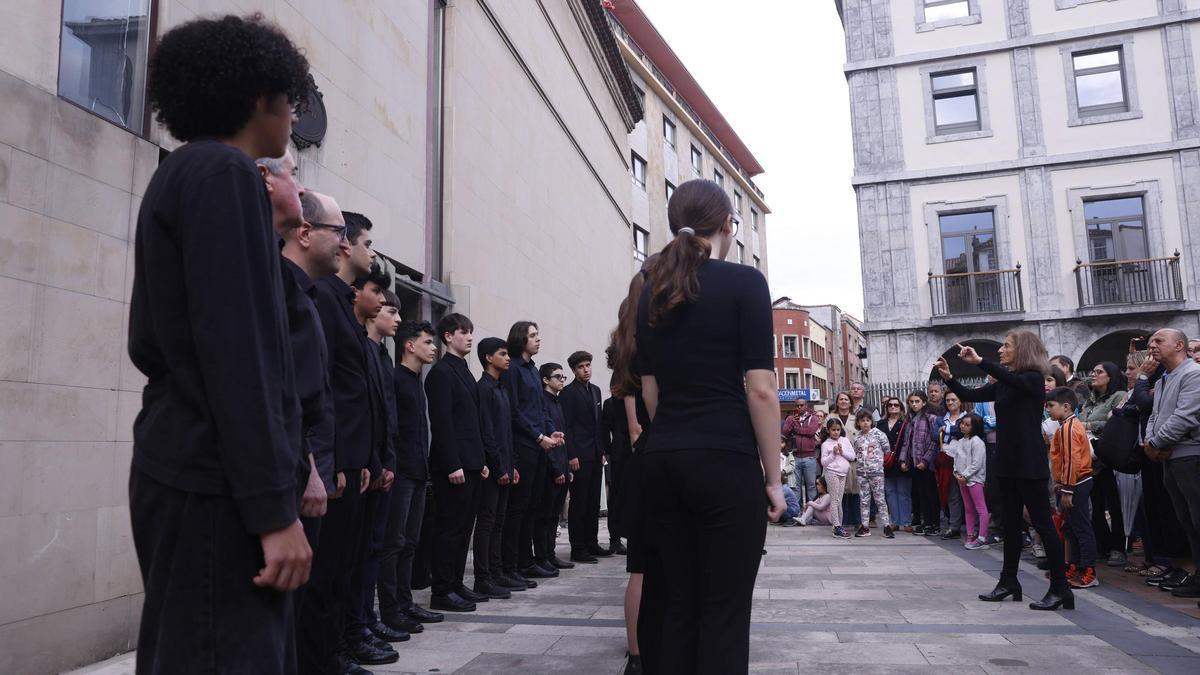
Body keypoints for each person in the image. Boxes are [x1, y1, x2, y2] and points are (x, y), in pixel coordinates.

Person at [128, 15, 311, 674]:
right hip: (213, 481)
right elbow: (239, 354)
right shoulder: (223, 174)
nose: (294, 114)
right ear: (260, 96)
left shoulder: (190, 173)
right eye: (289, 98)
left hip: (193, 467)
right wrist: (273, 510)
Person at [633, 178, 784, 673]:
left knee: (677, 607)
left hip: (664, 458)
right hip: (723, 460)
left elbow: (651, 393)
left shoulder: (651, 291)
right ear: (726, 225)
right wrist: (774, 479)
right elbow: (761, 390)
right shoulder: (745, 283)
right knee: (724, 611)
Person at [300, 194, 392, 671]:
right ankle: (324, 657)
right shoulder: (323, 298)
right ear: (344, 245)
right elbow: (325, 390)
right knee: (328, 569)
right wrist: (330, 460)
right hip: (334, 463)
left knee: (345, 565)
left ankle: (338, 646)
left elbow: (362, 400)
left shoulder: (343, 305)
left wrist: (368, 460)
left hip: (354, 462)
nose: (370, 252)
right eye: (366, 243)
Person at [938, 331, 1073, 611]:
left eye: (1006, 347)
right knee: (1010, 525)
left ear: (1022, 350)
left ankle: (1060, 588)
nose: (1001, 351)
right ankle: (1009, 581)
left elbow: (1013, 380)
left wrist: (980, 361)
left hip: (1029, 463)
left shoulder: (1033, 379)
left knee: (1043, 524)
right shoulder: (1005, 383)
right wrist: (949, 377)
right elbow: (969, 395)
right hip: (1007, 463)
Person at [260, 158, 333, 547]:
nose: (344, 243)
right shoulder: (272, 282)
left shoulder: (304, 295)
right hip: (284, 472)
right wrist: (310, 469)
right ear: (305, 234)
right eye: (338, 232)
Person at [377, 321, 444, 635]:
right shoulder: (395, 378)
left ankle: (405, 603)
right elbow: (389, 428)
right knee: (394, 543)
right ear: (409, 345)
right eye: (428, 342)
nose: (433, 348)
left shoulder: (417, 381)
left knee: (411, 543)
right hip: (400, 473)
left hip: (419, 472)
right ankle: (390, 610)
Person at [353, 277, 406, 651]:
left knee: (374, 547)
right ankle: (358, 626)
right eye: (391, 310)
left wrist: (388, 461)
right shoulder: (363, 349)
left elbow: (388, 417)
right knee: (360, 553)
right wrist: (373, 462)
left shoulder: (383, 355)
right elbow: (362, 414)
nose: (398, 319)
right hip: (363, 467)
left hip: (383, 465)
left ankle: (366, 622)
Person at [425, 313, 489, 612]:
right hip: (453, 466)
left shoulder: (463, 370)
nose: (470, 337)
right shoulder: (441, 373)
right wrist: (452, 464)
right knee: (449, 528)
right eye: (464, 332)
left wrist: (481, 460)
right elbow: (442, 423)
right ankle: (441, 590)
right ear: (448, 336)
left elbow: (472, 422)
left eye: (471, 331)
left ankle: (456, 583)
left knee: (464, 529)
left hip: (472, 463)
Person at [1144, 329, 1200, 600]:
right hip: (1170, 457)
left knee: (1197, 519)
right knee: (1186, 521)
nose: (1151, 346)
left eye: (1158, 341)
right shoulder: (1165, 378)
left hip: (1190, 455)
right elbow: (1155, 416)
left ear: (1179, 345)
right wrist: (1149, 442)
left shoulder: (1193, 374)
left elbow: (1185, 416)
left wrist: (1156, 442)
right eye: (1150, 342)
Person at [474, 337, 519, 598]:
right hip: (492, 469)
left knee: (499, 521)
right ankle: (483, 578)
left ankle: (497, 572)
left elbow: (506, 433)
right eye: (502, 354)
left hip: (505, 465)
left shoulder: (502, 388)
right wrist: (499, 467)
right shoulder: (484, 388)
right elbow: (487, 433)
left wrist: (512, 465)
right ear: (489, 358)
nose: (507, 357)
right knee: (487, 522)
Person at [1046, 387, 1099, 589]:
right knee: (1071, 528)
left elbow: (1071, 460)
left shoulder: (1069, 428)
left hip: (1077, 483)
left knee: (1081, 527)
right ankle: (1075, 565)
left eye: (1051, 405)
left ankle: (1089, 570)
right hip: (1072, 483)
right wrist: (1060, 483)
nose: (1048, 410)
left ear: (1066, 407)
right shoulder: (1066, 426)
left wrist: (1068, 489)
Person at [1080, 361, 1130, 567]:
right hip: (1090, 461)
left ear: (1111, 376)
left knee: (1114, 506)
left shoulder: (1119, 396)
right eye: (1093, 371)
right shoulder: (1089, 401)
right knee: (1095, 506)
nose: (1093, 374)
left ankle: (1118, 548)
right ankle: (1103, 545)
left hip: (1110, 460)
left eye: (1099, 372)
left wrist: (1088, 425)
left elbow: (1116, 422)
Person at [562, 351, 610, 563]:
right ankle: (578, 547)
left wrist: (602, 451)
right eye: (581, 367)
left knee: (592, 502)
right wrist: (571, 455)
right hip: (579, 456)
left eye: (588, 365)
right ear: (574, 370)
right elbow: (567, 426)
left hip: (595, 454)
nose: (586, 369)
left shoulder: (596, 391)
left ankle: (592, 542)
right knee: (579, 502)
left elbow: (598, 425)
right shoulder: (568, 393)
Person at [944, 414, 989, 550]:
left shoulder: (977, 442)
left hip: (974, 480)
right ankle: (970, 535)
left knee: (980, 508)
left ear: (975, 427)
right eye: (962, 423)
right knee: (968, 508)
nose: (963, 426)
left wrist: (965, 475)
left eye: (967, 424)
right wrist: (957, 473)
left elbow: (977, 463)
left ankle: (982, 537)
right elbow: (956, 459)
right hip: (962, 479)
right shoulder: (961, 441)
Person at [899, 391, 939, 536]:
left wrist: (925, 460)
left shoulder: (931, 418)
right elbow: (906, 442)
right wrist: (904, 460)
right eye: (912, 402)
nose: (914, 404)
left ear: (924, 402)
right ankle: (926, 522)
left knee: (930, 493)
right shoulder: (909, 419)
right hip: (914, 462)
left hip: (927, 464)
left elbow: (934, 442)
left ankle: (934, 523)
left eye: (917, 401)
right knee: (920, 494)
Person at [852, 412, 892, 538]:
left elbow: (887, 450)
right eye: (862, 420)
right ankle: (865, 526)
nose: (865, 423)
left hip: (876, 472)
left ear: (871, 422)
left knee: (880, 499)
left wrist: (878, 463)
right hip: (862, 473)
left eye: (867, 420)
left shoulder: (879, 434)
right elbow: (855, 453)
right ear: (858, 422)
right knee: (864, 500)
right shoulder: (857, 437)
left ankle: (886, 526)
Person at [937, 392, 968, 540]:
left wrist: (947, 431)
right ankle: (954, 526)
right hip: (947, 460)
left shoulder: (968, 416)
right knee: (952, 494)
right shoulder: (941, 418)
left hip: (967, 460)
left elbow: (966, 430)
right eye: (948, 400)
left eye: (953, 399)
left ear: (960, 401)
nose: (950, 402)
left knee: (970, 495)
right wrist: (954, 433)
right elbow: (934, 435)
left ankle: (974, 528)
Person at [878, 397, 912, 532]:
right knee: (890, 492)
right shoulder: (880, 424)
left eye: (896, 405)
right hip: (886, 462)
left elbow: (909, 443)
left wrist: (906, 461)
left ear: (901, 407)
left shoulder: (906, 423)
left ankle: (906, 521)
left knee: (904, 492)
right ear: (886, 408)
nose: (893, 407)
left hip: (901, 461)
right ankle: (895, 521)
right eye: (890, 405)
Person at [820, 418, 856, 539]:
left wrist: (842, 451)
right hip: (832, 473)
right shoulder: (826, 444)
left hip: (843, 473)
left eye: (838, 430)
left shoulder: (845, 440)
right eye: (833, 430)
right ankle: (837, 526)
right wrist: (833, 454)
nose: (836, 432)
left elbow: (852, 456)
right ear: (828, 430)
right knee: (834, 500)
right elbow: (824, 462)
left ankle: (838, 525)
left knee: (839, 500)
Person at [782, 401, 821, 503]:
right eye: (797, 405)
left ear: (806, 406)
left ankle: (812, 509)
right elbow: (785, 433)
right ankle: (797, 510)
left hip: (809, 457)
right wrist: (792, 422)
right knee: (795, 486)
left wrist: (796, 429)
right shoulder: (791, 418)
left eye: (801, 405)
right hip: (795, 456)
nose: (799, 407)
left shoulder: (813, 417)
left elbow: (811, 432)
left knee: (811, 485)